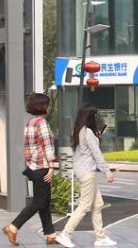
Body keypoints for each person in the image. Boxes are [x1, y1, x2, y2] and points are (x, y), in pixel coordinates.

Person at [54, 105, 116, 247]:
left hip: (83, 172)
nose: (98, 118)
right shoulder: (87, 132)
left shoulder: (79, 131)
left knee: (97, 204)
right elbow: (97, 154)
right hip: (88, 174)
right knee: (84, 206)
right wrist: (107, 172)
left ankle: (100, 237)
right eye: (96, 116)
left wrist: (96, 137)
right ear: (90, 117)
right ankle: (65, 234)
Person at [3, 93, 58, 246]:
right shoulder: (42, 123)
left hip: (33, 167)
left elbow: (28, 149)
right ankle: (13, 227)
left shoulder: (30, 123)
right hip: (42, 168)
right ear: (43, 106)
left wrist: (31, 167)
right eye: (48, 104)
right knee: (39, 201)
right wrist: (52, 167)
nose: (49, 107)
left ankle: (50, 234)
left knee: (45, 202)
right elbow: (48, 146)